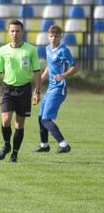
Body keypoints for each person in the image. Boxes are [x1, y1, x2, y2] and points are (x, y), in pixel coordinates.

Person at [0, 19, 41, 163]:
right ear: (8, 33)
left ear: (22, 32)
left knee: (19, 124)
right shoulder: (3, 50)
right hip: (8, 89)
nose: (15, 34)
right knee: (5, 121)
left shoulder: (30, 50)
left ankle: (15, 154)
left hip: (24, 90)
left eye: (17, 31)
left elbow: (36, 72)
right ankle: (6, 145)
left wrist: (37, 91)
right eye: (12, 31)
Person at [34, 25, 77, 154]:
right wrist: (41, 77)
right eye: (51, 36)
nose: (53, 39)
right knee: (41, 117)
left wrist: (63, 75)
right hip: (50, 88)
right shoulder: (47, 49)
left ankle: (64, 145)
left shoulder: (63, 50)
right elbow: (49, 65)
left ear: (60, 37)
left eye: (56, 36)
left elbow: (74, 66)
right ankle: (44, 145)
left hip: (59, 89)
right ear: (48, 36)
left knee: (46, 119)